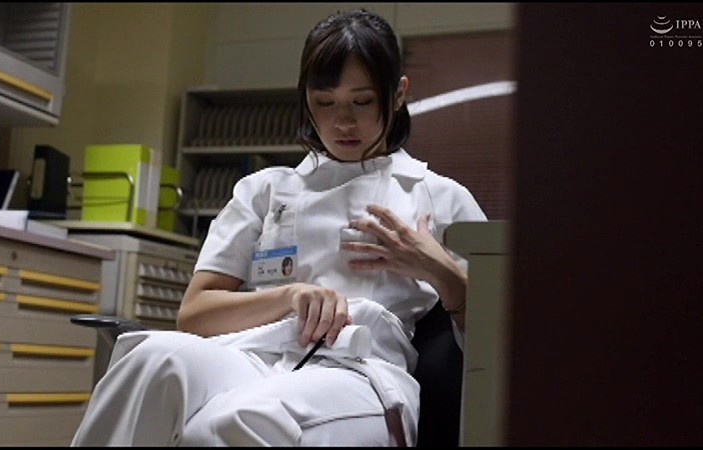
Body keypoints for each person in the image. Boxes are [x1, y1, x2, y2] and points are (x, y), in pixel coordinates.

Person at [71, 8, 486, 447]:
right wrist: (289, 296)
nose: (342, 122)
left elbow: (508, 337)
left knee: (231, 421)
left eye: (362, 102)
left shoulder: (435, 195)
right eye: (324, 102)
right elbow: (194, 315)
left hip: (360, 371)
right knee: (151, 358)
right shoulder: (265, 191)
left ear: (398, 94)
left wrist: (437, 268)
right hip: (253, 355)